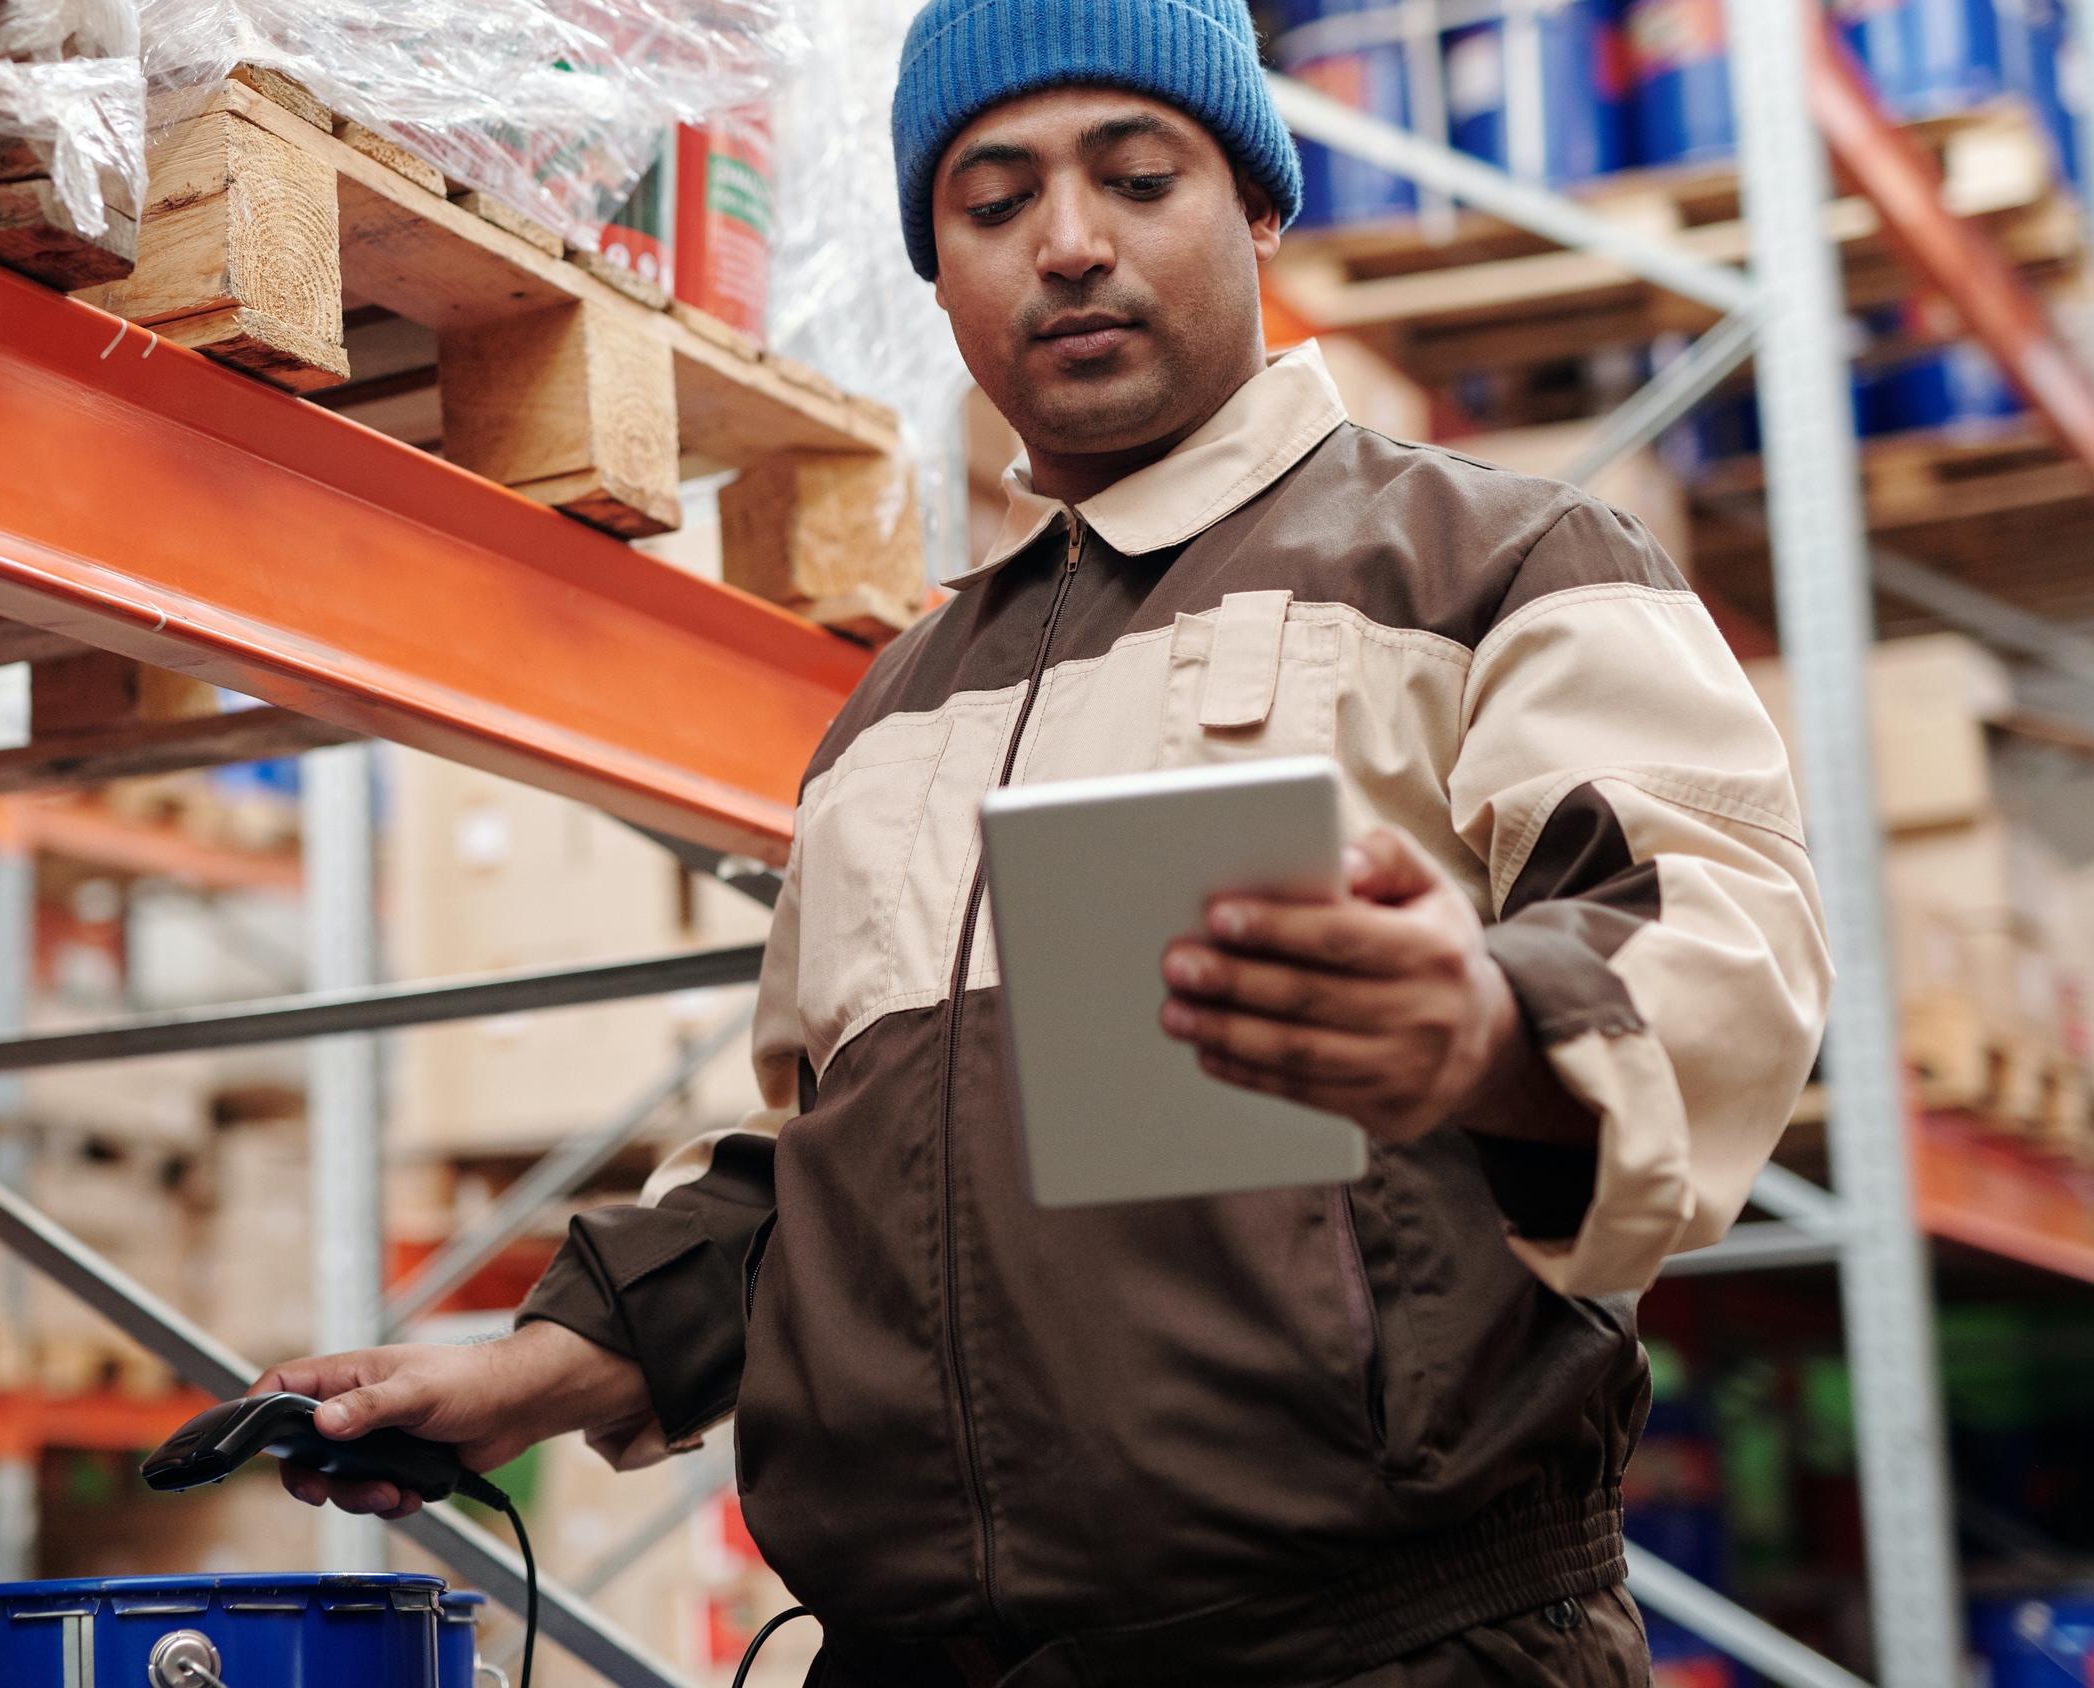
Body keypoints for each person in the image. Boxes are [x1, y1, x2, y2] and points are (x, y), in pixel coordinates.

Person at [258, 0, 1833, 1680]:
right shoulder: (894, 715)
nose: (1069, 245)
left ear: (1261, 206)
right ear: (938, 271)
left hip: (1377, 1653)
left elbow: (1715, 944)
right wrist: (544, 1367)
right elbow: (840, 1173)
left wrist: (1487, 1024)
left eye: (1139, 176)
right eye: (994, 205)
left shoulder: (1491, 566)